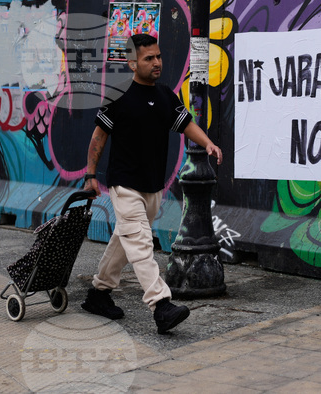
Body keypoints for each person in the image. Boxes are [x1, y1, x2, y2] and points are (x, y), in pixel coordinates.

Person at [81, 33, 223, 334]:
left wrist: (208, 144)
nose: (157, 62)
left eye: (158, 56)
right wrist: (90, 176)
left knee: (125, 240)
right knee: (142, 244)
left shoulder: (165, 96)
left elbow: (186, 124)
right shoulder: (117, 97)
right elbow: (98, 138)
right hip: (125, 186)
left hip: (152, 188)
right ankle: (160, 305)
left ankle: (99, 293)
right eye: (149, 58)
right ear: (133, 63)